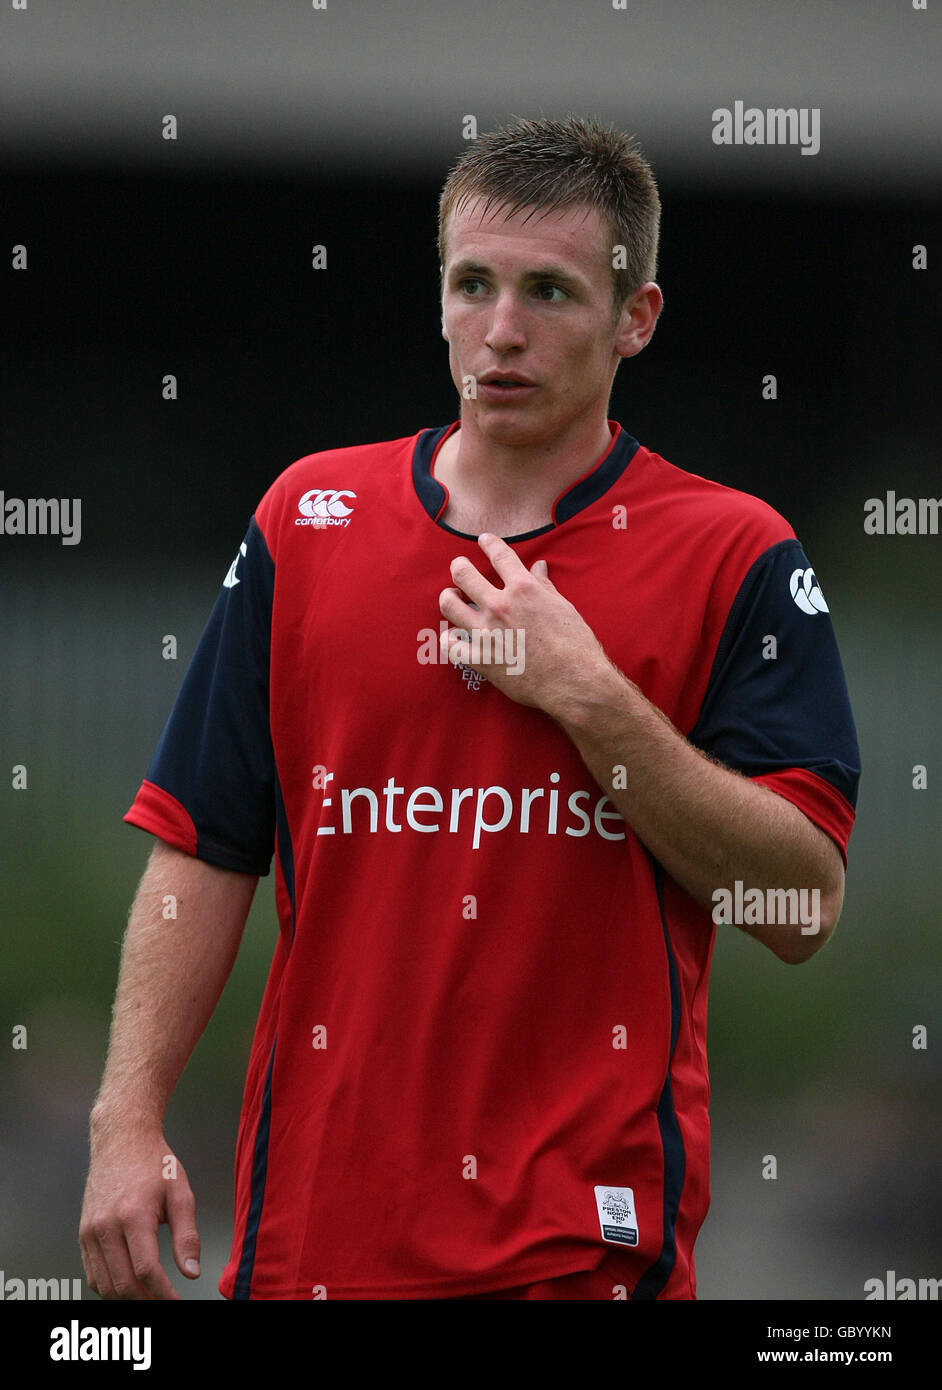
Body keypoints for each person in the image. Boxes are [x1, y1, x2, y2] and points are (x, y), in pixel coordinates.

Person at [79, 115, 860, 1301]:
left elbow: (802, 899)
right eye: (473, 285)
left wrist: (591, 698)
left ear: (636, 317)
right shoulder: (307, 519)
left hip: (575, 1250)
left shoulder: (733, 552)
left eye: (549, 291)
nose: (502, 331)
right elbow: (202, 843)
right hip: (313, 1243)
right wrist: (125, 1124)